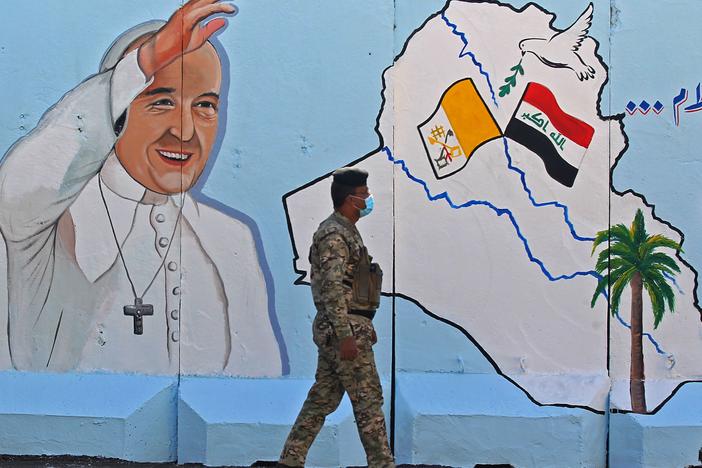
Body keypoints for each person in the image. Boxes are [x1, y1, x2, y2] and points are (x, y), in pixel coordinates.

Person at [0, 0, 282, 376]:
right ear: (115, 112)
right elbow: (24, 182)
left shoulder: (231, 240)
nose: (184, 131)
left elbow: (255, 387)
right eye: (161, 100)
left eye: (205, 105)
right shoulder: (44, 225)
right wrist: (144, 63)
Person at [279, 167, 394, 467]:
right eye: (364, 195)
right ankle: (383, 464)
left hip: (350, 326)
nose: (369, 199)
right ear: (350, 199)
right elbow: (331, 288)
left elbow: (350, 285)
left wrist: (364, 322)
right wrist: (346, 334)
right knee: (368, 402)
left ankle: (290, 460)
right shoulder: (334, 234)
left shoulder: (345, 230)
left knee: (323, 398)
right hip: (344, 332)